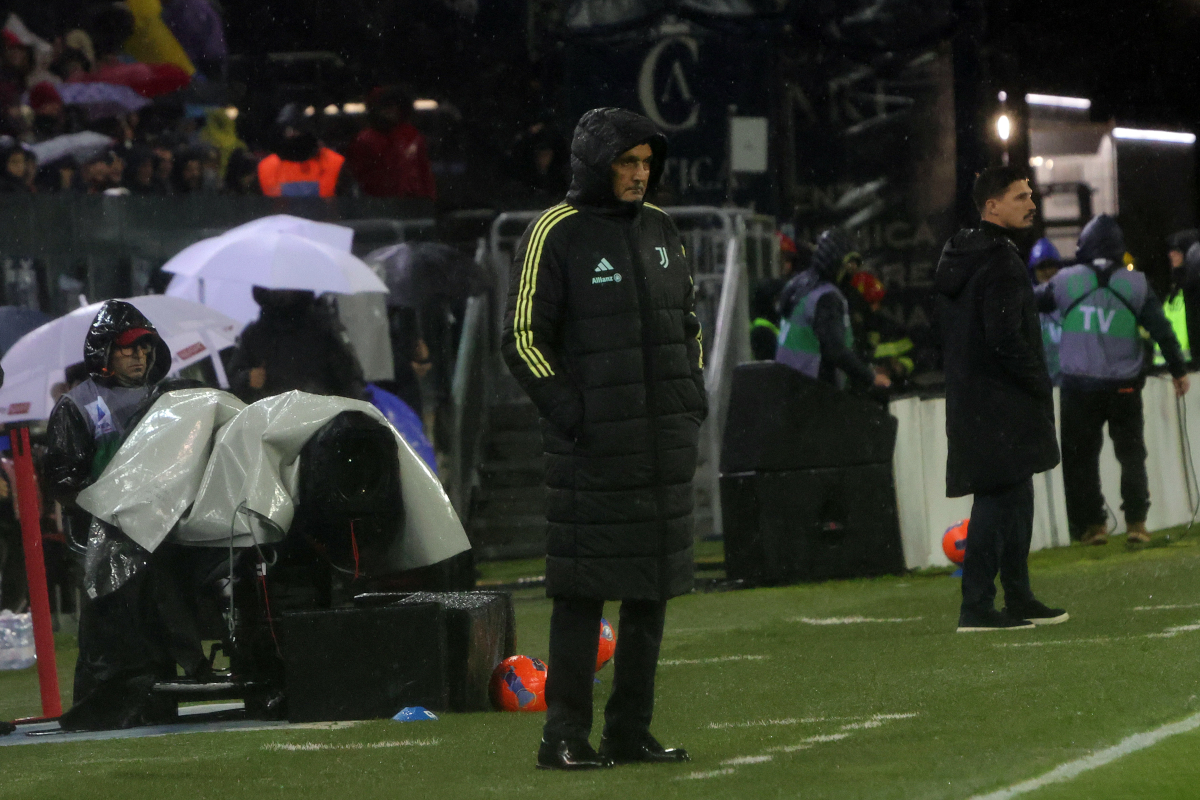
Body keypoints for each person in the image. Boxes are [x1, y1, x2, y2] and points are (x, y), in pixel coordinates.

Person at [501, 107, 703, 771]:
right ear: (597, 164)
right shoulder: (553, 233)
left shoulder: (664, 230)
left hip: (659, 450)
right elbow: (524, 338)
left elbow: (689, 323)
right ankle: (561, 736)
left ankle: (627, 732)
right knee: (581, 596)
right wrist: (573, 414)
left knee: (650, 595)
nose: (640, 175)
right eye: (627, 162)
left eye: (647, 163)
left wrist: (687, 401)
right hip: (591, 453)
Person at [43, 301, 213, 729]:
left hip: (162, 537)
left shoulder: (167, 399)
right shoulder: (78, 405)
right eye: (129, 348)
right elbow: (65, 481)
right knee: (115, 636)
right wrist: (111, 514)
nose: (140, 356)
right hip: (105, 543)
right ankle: (107, 715)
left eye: (146, 347)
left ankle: (157, 708)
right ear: (106, 352)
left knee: (158, 627)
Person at [935, 166, 1065, 632]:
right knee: (999, 498)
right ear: (992, 206)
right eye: (1020, 196)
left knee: (1012, 493)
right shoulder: (1001, 260)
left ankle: (1018, 596)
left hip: (972, 397)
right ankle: (978, 605)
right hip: (1002, 401)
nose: (1031, 203)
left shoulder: (958, 256)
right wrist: (1037, 380)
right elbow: (1006, 340)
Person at [1036, 214, 1190, 545]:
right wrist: (1178, 370)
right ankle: (1136, 523)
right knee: (1132, 454)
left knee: (1080, 460)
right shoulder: (1136, 283)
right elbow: (1161, 329)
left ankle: (1093, 527)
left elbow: (1030, 301)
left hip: (1079, 387)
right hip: (1124, 386)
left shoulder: (1065, 280)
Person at [775, 229, 890, 390]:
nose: (852, 271)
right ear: (835, 263)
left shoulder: (799, 283)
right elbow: (835, 350)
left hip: (787, 382)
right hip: (812, 388)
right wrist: (870, 377)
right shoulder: (826, 297)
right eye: (849, 265)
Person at [227, 287, 366, 404]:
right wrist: (248, 378)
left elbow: (350, 376)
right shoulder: (255, 333)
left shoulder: (323, 328)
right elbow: (234, 376)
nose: (283, 290)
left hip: (319, 416)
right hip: (270, 419)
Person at [346, 86, 436, 201]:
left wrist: (429, 200)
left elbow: (424, 174)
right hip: (379, 204)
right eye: (386, 106)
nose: (391, 111)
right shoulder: (365, 140)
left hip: (412, 205)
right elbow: (356, 177)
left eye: (395, 106)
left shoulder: (412, 137)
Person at [257, 104, 345, 199]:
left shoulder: (335, 163)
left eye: (298, 130)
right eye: (288, 130)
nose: (292, 134)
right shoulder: (266, 167)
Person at [1028, 237, 1064, 385]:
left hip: (1067, 383)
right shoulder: (1025, 304)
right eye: (1042, 266)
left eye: (1051, 265)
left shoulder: (1070, 298)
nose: (1048, 271)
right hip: (1039, 384)